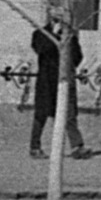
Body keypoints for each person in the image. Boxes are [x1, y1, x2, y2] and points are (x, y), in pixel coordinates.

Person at [27, 12, 86, 160]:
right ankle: (35, 146)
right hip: (47, 81)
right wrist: (53, 35)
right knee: (41, 114)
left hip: (65, 80)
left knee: (70, 114)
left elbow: (78, 56)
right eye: (56, 18)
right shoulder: (40, 34)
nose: (59, 21)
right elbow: (41, 49)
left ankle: (77, 146)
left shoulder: (70, 35)